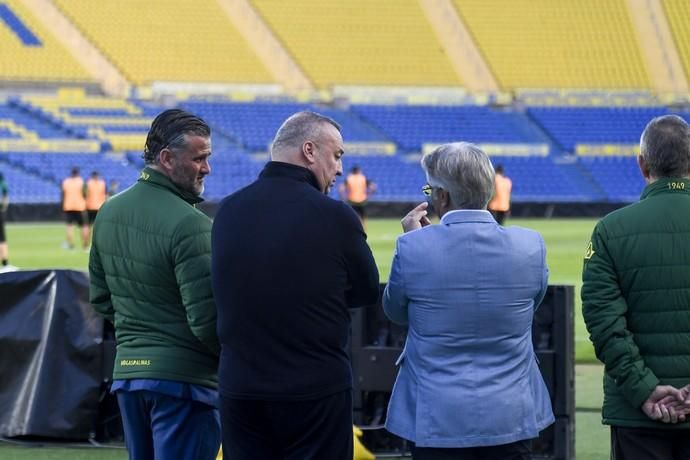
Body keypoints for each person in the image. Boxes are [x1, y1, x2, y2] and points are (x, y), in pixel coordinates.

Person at [211, 111, 380, 460]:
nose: (338, 169)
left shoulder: (227, 212)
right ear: (309, 151)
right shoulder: (335, 216)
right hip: (314, 391)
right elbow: (365, 292)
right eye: (336, 156)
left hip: (240, 387)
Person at [383, 142, 554, 459]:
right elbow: (535, 301)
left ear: (442, 196)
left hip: (437, 417)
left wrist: (413, 240)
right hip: (511, 413)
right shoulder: (530, 245)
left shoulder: (412, 247)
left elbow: (394, 311)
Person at [89, 109, 220, 460]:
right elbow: (208, 321)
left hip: (129, 377)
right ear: (166, 158)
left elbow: (101, 299)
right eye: (200, 158)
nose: (206, 168)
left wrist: (140, 336)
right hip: (184, 382)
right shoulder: (192, 224)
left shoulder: (108, 211)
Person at [582, 114, 690, 460]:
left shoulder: (610, 230)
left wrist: (645, 391)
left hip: (636, 415)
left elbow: (604, 325)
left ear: (642, 165)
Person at [61, 166, 88, 250]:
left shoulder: (65, 182)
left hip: (68, 207)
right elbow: (85, 194)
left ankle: (70, 245)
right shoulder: (82, 182)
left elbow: (62, 195)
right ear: (78, 173)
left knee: (69, 226)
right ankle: (85, 246)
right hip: (80, 207)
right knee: (84, 226)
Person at [85, 170, 107, 247]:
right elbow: (105, 195)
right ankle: (100, 243)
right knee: (100, 227)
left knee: (88, 226)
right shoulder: (102, 183)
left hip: (89, 207)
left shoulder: (88, 183)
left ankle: (87, 245)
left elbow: (84, 194)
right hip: (100, 207)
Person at [0, 172, 10, 270]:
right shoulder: (2, 181)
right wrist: (3, 207)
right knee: (2, 239)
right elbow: (5, 196)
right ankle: (5, 264)